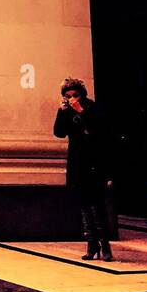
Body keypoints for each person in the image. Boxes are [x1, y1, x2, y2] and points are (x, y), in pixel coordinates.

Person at [54, 77, 113, 261]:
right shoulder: (67, 111)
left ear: (82, 94)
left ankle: (105, 245)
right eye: (68, 96)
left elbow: (101, 133)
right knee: (84, 206)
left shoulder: (93, 109)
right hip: (77, 163)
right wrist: (61, 112)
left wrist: (83, 113)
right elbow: (59, 132)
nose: (72, 99)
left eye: (75, 95)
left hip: (94, 163)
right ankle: (91, 244)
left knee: (98, 205)